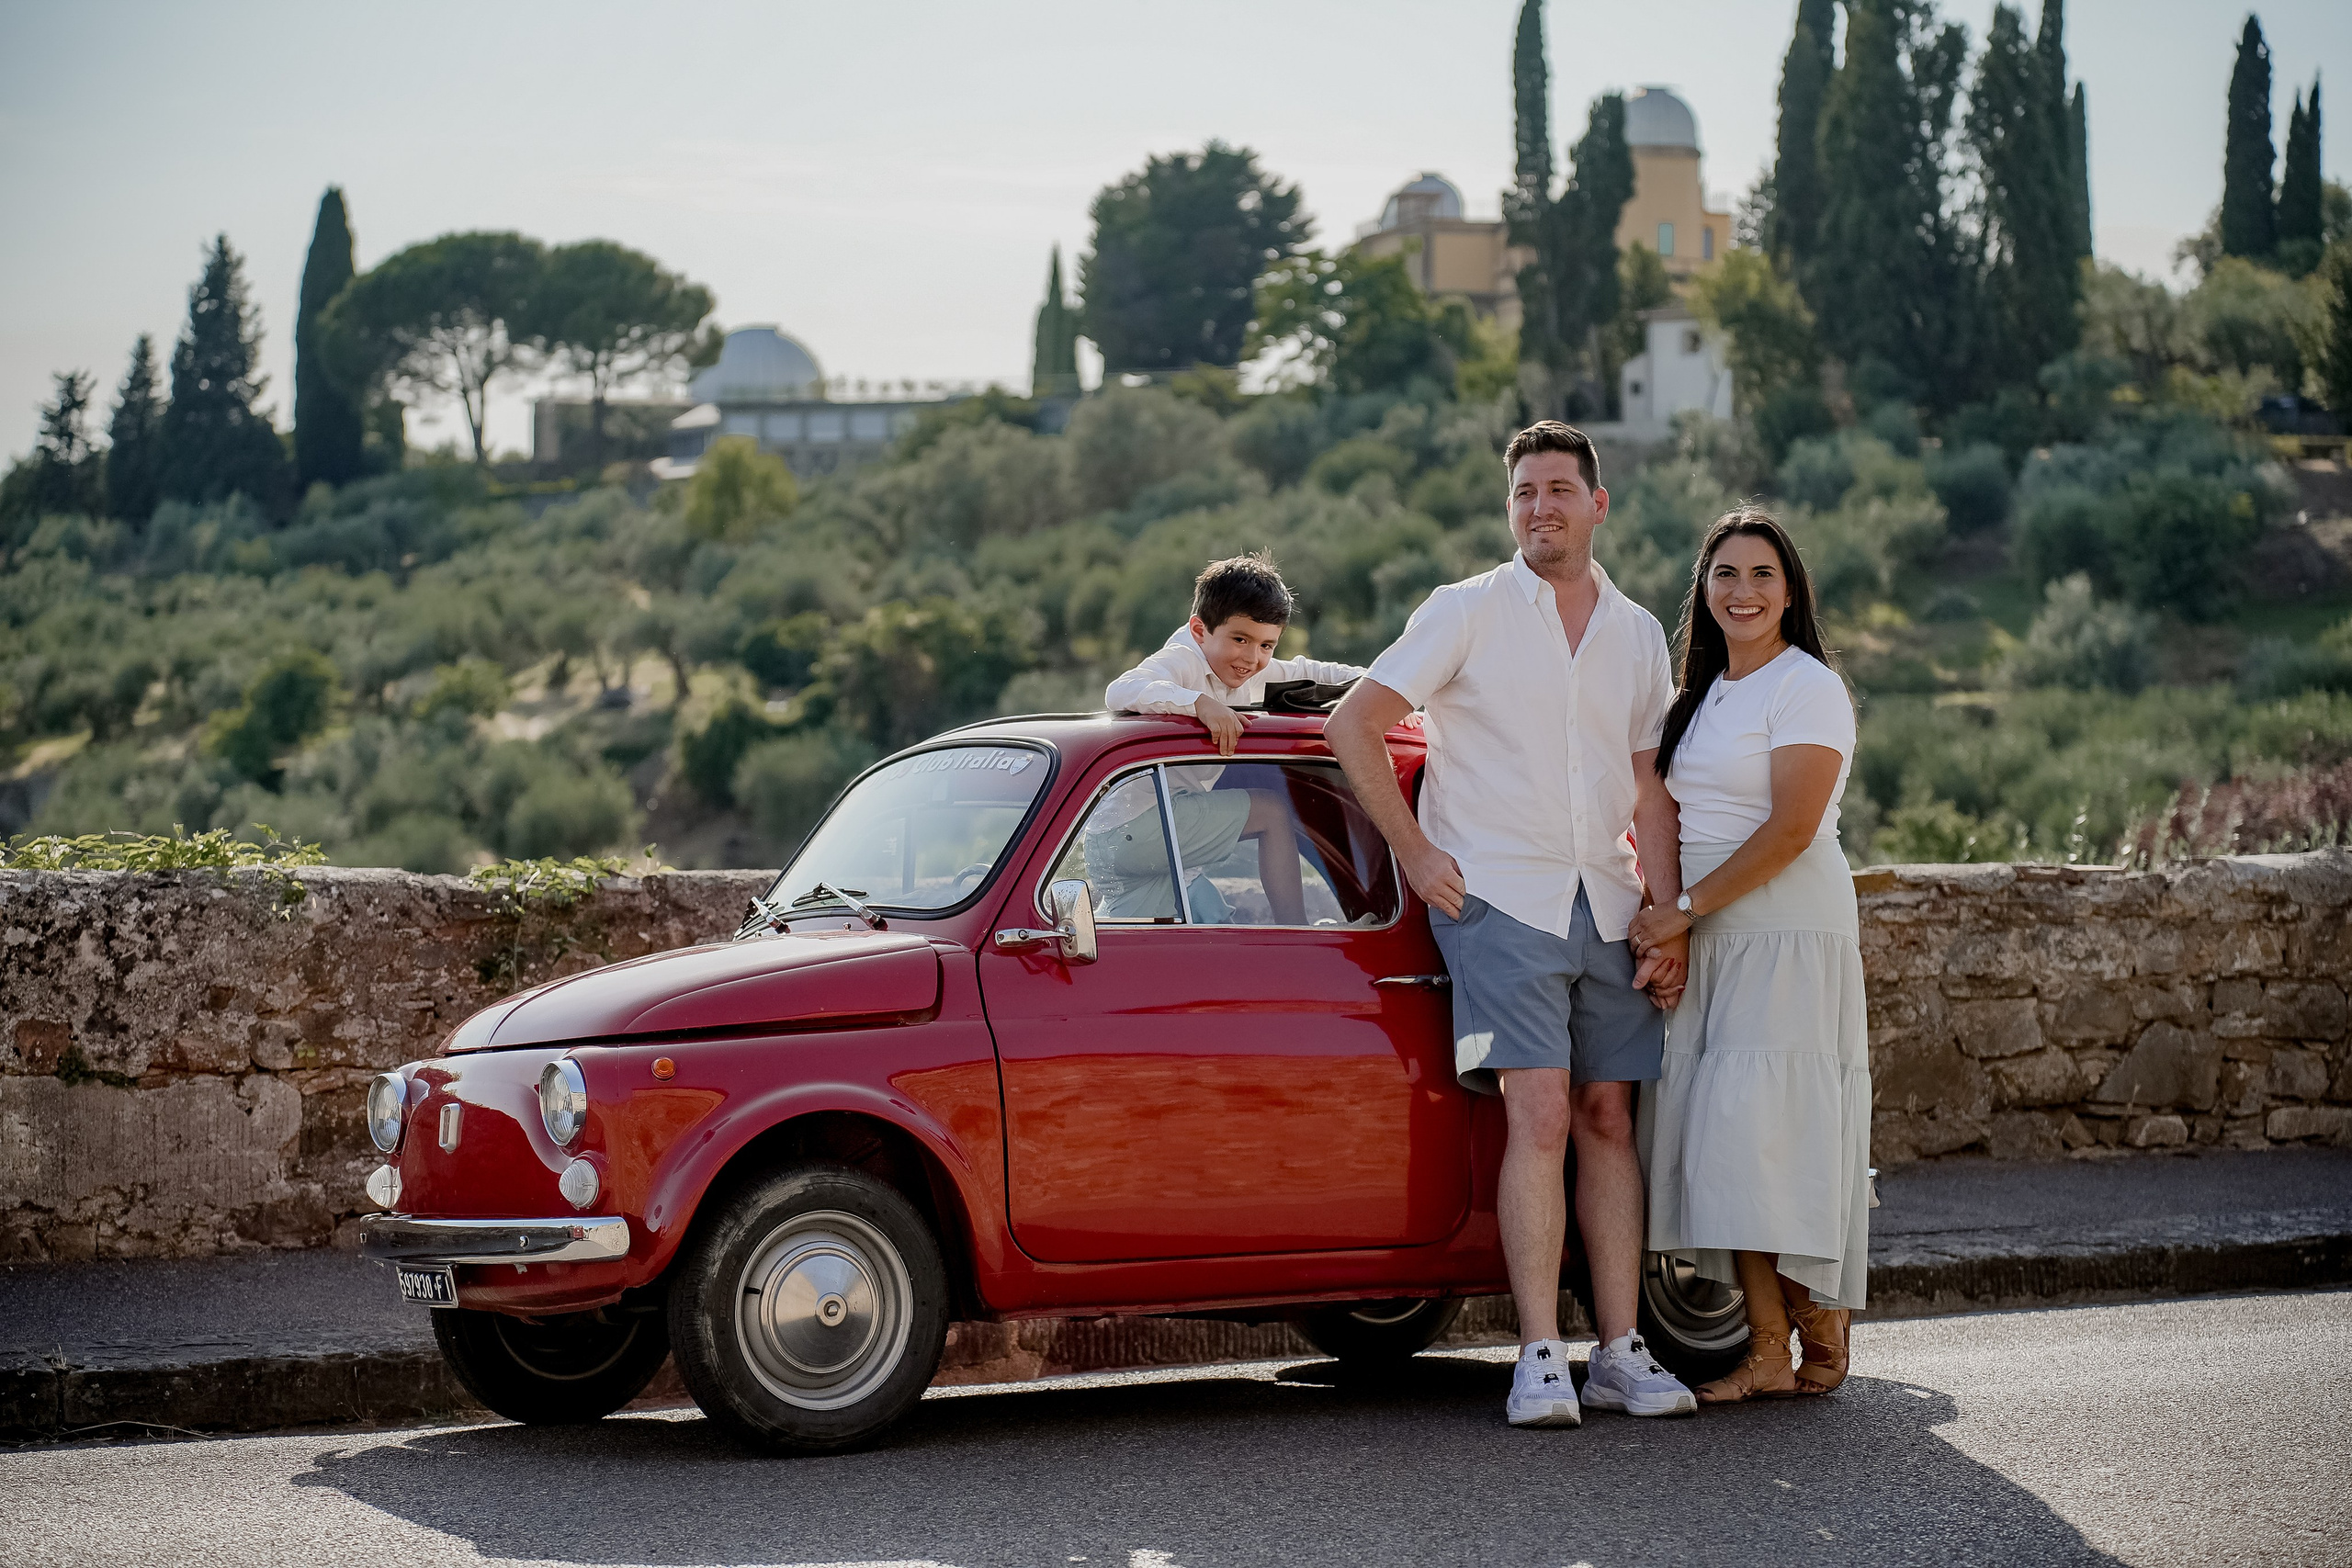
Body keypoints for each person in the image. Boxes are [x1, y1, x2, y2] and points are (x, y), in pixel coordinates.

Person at [1328, 421, 1696, 1428]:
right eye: (1523, 493)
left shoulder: (1632, 632)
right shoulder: (1468, 610)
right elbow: (1352, 723)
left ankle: (1619, 1351)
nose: (1540, 508)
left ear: (1597, 504)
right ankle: (1538, 1354)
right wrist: (1414, 852)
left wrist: (1663, 918)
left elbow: (1646, 785)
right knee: (1536, 1112)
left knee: (1608, 1119)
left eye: (1558, 491)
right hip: (1498, 902)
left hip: (1606, 901)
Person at [1627, 506, 1869, 1404]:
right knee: (1729, 1144)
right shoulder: (1702, 696)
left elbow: (1792, 830)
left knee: (1772, 1137)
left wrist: (1681, 911)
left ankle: (1818, 1329)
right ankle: (1771, 1347)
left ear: (1791, 590)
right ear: (1704, 590)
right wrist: (1677, 917)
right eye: (1724, 574)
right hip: (1719, 930)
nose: (1742, 591)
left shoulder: (1805, 686)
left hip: (1787, 928)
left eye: (1761, 573)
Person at [1099, 553, 1367, 924]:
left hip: (1127, 841)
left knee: (1209, 920)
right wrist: (1200, 703)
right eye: (1240, 639)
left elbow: (1318, 673)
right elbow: (1122, 689)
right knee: (1271, 811)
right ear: (1199, 631)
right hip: (1138, 826)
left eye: (1266, 645)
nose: (1252, 658)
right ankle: (1295, 928)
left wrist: (1397, 686)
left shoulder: (1252, 669)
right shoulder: (1183, 659)